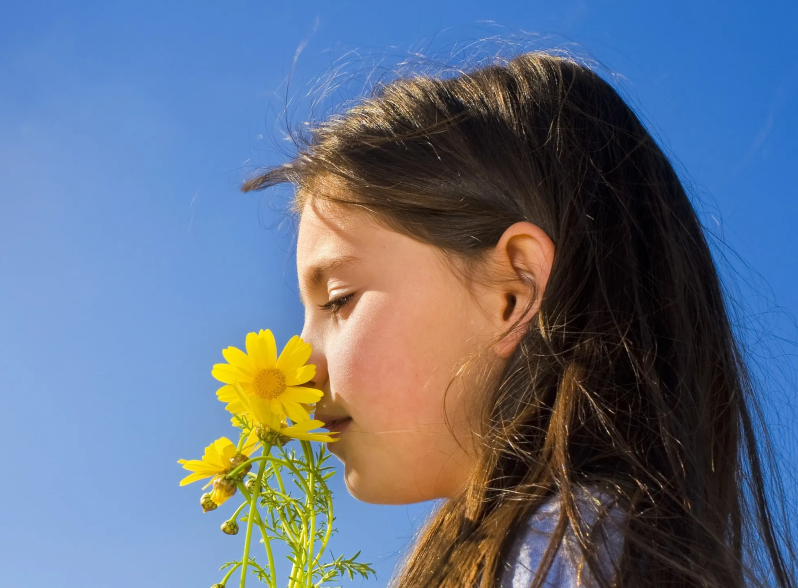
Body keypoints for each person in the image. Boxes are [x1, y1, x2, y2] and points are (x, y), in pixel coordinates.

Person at [241, 52, 796, 587]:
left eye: (339, 299)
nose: (302, 366)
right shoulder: (585, 545)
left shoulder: (558, 552)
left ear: (514, 291)